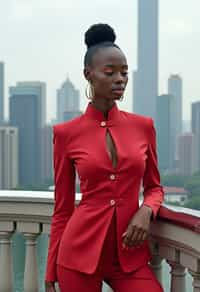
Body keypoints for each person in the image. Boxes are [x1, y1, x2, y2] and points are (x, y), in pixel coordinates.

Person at [45, 23, 164, 292]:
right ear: (89, 74)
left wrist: (147, 210)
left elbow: (155, 187)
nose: (119, 79)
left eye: (124, 73)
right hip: (78, 255)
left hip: (129, 258)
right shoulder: (66, 133)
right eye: (109, 73)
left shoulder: (143, 126)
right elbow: (62, 209)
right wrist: (50, 270)